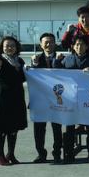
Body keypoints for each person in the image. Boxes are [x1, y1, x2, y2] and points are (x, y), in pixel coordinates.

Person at [54, 36, 89, 163]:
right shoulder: (66, 60)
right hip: (70, 98)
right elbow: (56, 72)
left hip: (88, 98)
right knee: (70, 127)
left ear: (87, 46)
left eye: (82, 44)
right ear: (73, 46)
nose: (79, 47)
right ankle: (69, 154)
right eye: (77, 44)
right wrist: (57, 61)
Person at [0, 36, 27, 166]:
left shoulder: (20, 61)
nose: (10, 48)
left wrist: (28, 69)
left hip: (17, 97)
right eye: (7, 46)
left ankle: (11, 154)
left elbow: (23, 78)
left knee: (13, 128)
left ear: (16, 47)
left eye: (12, 45)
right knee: (2, 128)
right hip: (3, 98)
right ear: (2, 47)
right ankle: (0, 155)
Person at [30, 33, 64, 163]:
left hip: (56, 99)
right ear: (41, 44)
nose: (49, 44)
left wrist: (59, 62)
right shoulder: (36, 58)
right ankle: (41, 154)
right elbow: (32, 76)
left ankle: (57, 153)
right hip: (40, 100)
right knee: (39, 129)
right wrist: (33, 64)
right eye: (46, 42)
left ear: (55, 44)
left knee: (57, 128)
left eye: (51, 42)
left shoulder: (61, 58)